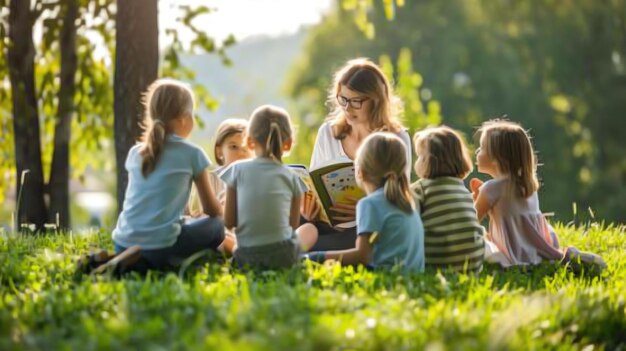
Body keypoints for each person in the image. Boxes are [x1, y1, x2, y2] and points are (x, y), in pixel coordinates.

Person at [112, 78, 225, 270]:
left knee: (187, 224)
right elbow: (212, 210)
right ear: (183, 119)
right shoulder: (192, 153)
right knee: (218, 226)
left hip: (122, 244)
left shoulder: (135, 153)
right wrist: (222, 209)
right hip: (161, 249)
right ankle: (177, 261)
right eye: (193, 115)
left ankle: (131, 261)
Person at [305, 58, 412, 250]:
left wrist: (365, 207)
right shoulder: (327, 133)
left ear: (376, 101)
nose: (347, 108)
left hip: (369, 225)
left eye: (355, 101)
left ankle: (312, 252)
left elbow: (400, 196)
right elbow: (316, 185)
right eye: (343, 99)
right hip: (326, 224)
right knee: (293, 219)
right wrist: (309, 208)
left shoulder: (396, 138)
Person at [472, 119, 605, 268]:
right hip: (537, 250)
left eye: (482, 148)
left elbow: (470, 221)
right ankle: (576, 259)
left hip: (511, 255)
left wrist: (473, 200)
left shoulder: (490, 189)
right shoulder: (527, 186)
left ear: (497, 158)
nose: (477, 152)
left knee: (480, 246)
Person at [305, 133, 425, 273]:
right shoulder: (409, 201)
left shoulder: (369, 204)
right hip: (414, 275)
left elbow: (362, 256)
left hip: (387, 275)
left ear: (360, 172)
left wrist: (316, 257)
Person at [221, 105, 318, 269]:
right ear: (288, 144)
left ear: (249, 142)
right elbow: (292, 226)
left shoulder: (235, 170)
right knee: (310, 228)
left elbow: (229, 222)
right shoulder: (293, 177)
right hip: (283, 257)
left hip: (245, 257)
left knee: (224, 237)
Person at [412, 126, 485, 273]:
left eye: (420, 156)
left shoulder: (419, 189)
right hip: (472, 264)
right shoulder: (461, 188)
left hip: (436, 263)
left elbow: (409, 225)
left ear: (429, 161)